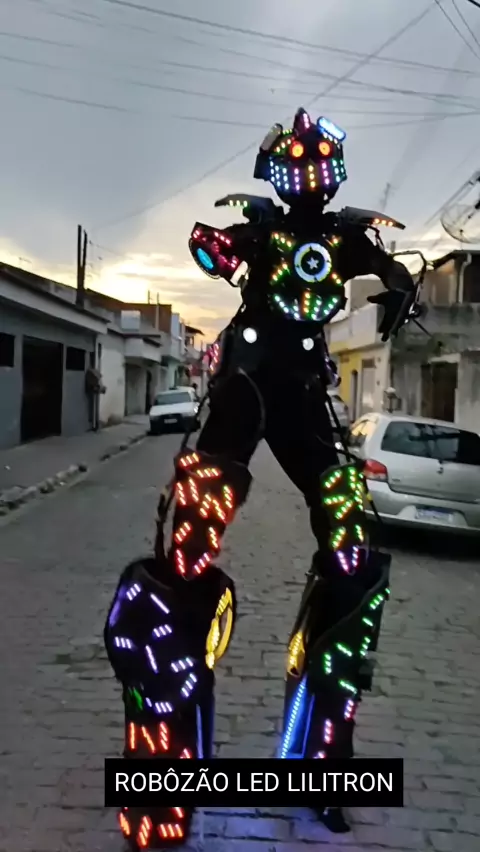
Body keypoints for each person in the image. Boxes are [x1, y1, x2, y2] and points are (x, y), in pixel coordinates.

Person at [104, 108, 418, 849]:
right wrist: (221, 250)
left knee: (348, 542)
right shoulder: (263, 228)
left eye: (319, 167)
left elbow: (396, 272)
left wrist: (400, 292)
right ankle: (163, 769)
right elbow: (207, 243)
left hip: (305, 394)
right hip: (246, 384)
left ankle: (324, 761)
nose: (308, 180)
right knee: (190, 541)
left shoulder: (347, 236)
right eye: (296, 167)